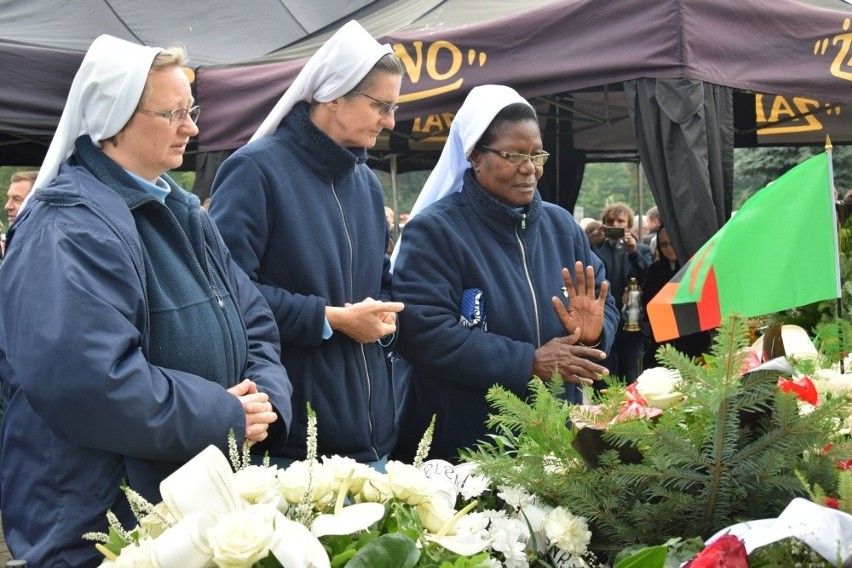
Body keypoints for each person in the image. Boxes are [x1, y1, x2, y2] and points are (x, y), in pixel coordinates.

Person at [0, 35, 293, 566]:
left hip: (182, 506)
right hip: (103, 523)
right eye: (174, 112)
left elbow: (254, 319)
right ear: (115, 120)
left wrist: (264, 402)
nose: (193, 127)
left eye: (192, 110)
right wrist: (225, 414)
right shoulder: (67, 227)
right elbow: (87, 384)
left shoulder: (183, 210)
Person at [210, 21, 404, 468]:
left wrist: (387, 314)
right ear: (335, 95)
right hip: (294, 444)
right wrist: (328, 319)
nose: (390, 121)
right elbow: (226, 295)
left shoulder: (368, 185)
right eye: (381, 105)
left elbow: (380, 280)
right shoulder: (255, 171)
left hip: (375, 436)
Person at [390, 85, 618, 463]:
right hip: (465, 445)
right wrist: (528, 362)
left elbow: (601, 303)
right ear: (476, 156)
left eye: (537, 154)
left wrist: (595, 332)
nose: (530, 168)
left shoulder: (562, 227)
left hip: (554, 439)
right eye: (512, 155)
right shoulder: (435, 231)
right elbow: (422, 332)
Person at [591, 202, 652, 386]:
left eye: (620, 221)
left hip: (631, 321)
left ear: (629, 225)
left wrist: (633, 252)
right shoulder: (596, 248)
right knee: (603, 372)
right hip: (604, 318)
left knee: (630, 371)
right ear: (604, 224)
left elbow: (649, 276)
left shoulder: (640, 250)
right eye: (611, 221)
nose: (616, 225)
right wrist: (590, 243)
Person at [641, 227, 712, 368]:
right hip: (662, 341)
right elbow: (647, 303)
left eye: (672, 242)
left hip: (692, 339)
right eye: (664, 244)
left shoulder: (694, 267)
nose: (669, 248)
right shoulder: (655, 270)